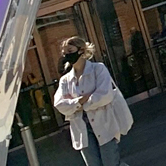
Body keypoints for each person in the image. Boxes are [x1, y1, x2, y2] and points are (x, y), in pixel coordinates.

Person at [53, 38, 133, 166]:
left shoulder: (98, 69)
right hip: (82, 129)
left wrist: (77, 105)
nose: (66, 55)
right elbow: (59, 104)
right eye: (64, 52)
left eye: (70, 50)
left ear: (81, 50)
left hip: (104, 123)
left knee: (111, 163)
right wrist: (80, 101)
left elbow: (104, 95)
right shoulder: (65, 80)